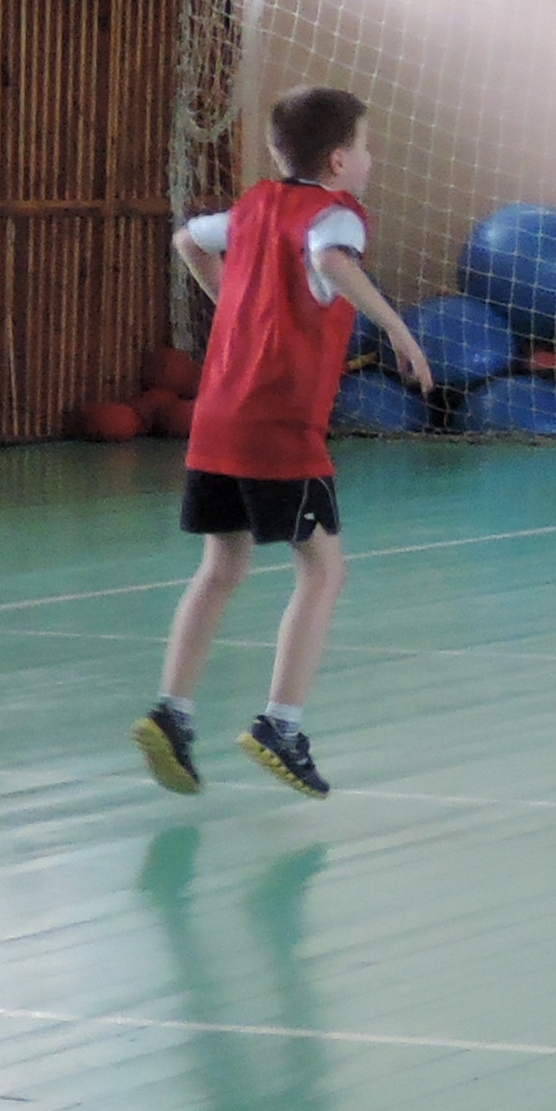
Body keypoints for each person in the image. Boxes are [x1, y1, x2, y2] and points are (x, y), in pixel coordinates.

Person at [132, 85, 434, 800]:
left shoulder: (254, 207)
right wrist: (396, 328)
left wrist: (235, 303)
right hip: (278, 428)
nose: (371, 158)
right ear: (338, 160)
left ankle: (172, 712)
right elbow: (331, 262)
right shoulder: (338, 215)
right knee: (324, 571)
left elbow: (188, 240)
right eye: (365, 146)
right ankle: (281, 724)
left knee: (222, 567)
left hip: (217, 419)